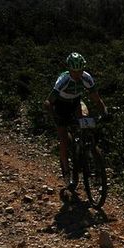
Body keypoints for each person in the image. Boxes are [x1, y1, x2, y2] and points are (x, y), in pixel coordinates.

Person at [46, 52, 108, 187]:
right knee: (63, 140)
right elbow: (48, 102)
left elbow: (97, 99)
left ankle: (88, 152)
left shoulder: (87, 78)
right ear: (69, 69)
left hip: (76, 104)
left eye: (80, 70)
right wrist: (55, 117)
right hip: (61, 107)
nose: (78, 74)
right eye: (75, 71)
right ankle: (67, 173)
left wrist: (104, 112)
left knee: (87, 124)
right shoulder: (63, 81)